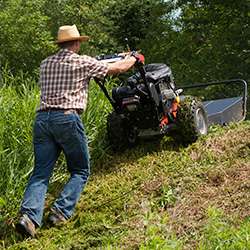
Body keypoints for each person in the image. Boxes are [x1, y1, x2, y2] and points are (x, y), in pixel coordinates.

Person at [16, 24, 145, 239]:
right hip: (66, 118)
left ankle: (28, 218)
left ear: (60, 43)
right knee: (80, 170)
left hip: (42, 121)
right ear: (77, 43)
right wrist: (134, 58)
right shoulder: (83, 61)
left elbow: (89, 66)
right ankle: (59, 212)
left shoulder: (46, 63)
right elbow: (119, 69)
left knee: (40, 173)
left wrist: (110, 59)